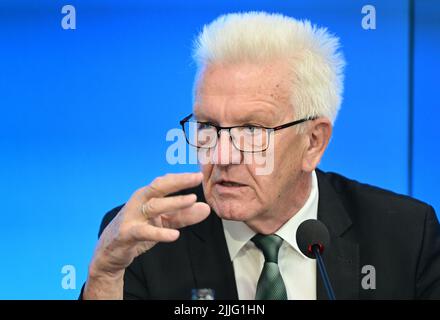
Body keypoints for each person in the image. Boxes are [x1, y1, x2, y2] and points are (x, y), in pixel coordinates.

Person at [82, 12, 440, 300]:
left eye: (252, 131)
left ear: (313, 141)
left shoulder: (404, 236)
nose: (221, 154)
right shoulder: (147, 241)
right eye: (207, 125)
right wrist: (104, 277)